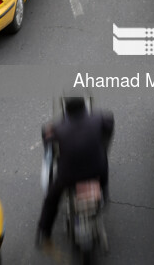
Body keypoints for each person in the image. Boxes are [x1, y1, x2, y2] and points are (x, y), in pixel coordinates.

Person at [37, 97, 114, 247]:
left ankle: (43, 232)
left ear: (67, 110)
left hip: (69, 177)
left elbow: (48, 141)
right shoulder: (98, 118)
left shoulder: (59, 127)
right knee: (103, 165)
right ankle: (104, 193)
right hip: (97, 171)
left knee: (51, 199)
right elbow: (109, 124)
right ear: (84, 108)